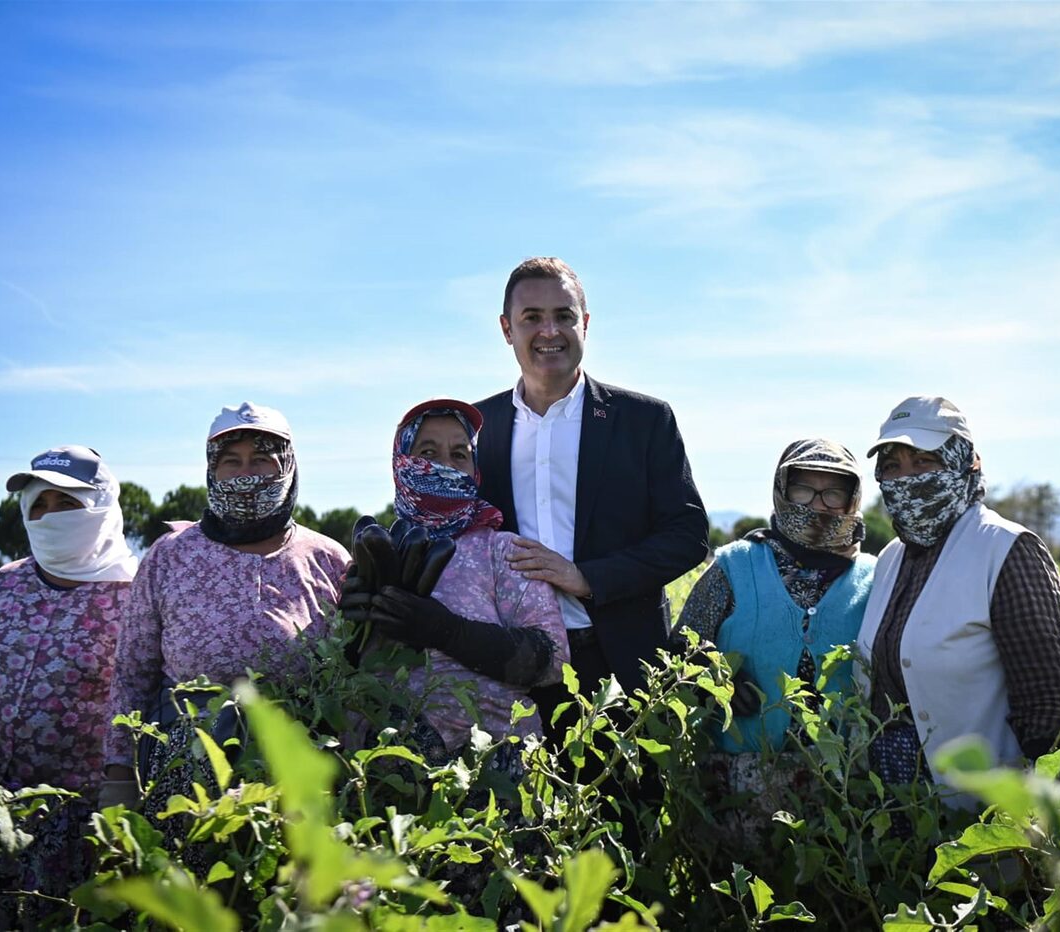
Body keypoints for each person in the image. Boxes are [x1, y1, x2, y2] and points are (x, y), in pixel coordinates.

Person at [474, 257, 710, 732]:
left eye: (564, 315)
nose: (549, 331)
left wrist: (587, 578)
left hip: (623, 665)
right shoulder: (477, 428)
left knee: (629, 806)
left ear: (585, 322)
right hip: (514, 665)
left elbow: (687, 535)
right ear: (506, 329)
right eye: (532, 318)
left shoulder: (644, 420)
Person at [101, 402, 348, 829]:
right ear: (212, 469)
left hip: (295, 779)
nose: (245, 473)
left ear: (288, 466)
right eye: (231, 461)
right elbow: (132, 673)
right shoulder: (171, 556)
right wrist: (120, 774)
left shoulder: (326, 559)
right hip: (184, 775)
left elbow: (352, 680)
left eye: (262, 461)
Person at [0, 445, 137, 925]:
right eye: (38, 505)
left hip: (77, 827)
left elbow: (147, 706)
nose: (49, 517)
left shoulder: (135, 594)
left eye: (67, 504)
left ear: (102, 507)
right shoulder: (5, 584)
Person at [855, 396, 1060, 804]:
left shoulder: (1006, 551)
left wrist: (1047, 827)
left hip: (982, 812)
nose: (906, 479)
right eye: (892, 467)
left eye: (924, 462)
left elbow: (1052, 711)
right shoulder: (892, 558)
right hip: (893, 811)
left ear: (967, 461)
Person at [341, 399, 568, 779]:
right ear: (402, 464)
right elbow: (340, 673)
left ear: (475, 470)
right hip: (387, 777)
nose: (445, 464)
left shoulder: (503, 552)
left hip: (493, 771)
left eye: (459, 454)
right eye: (427, 452)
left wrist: (446, 631)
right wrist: (349, 635)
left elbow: (552, 661)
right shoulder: (378, 553)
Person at [675, 439, 874, 853]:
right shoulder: (735, 564)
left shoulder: (876, 577)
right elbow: (681, 648)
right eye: (803, 489)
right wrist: (718, 678)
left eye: (833, 492)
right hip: (736, 782)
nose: (818, 505)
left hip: (841, 785)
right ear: (782, 491)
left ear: (853, 499)